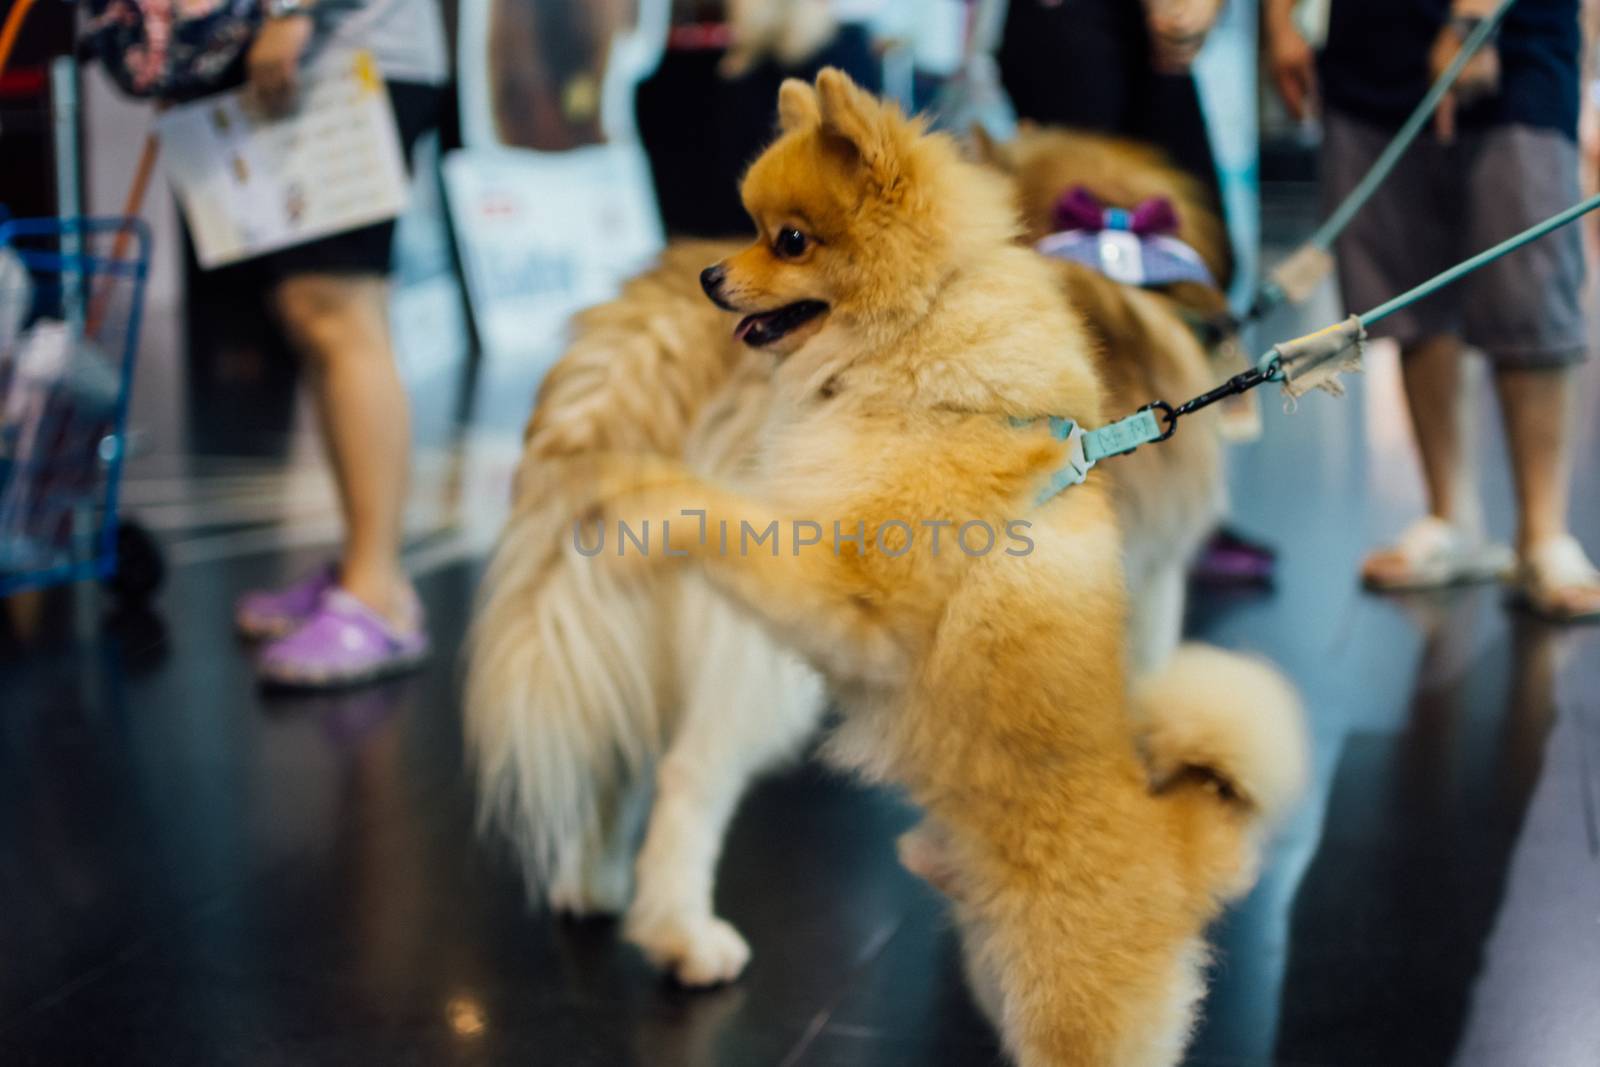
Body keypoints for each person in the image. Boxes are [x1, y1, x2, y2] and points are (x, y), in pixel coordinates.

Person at [1266, 0, 1600, 622]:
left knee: (1527, 283)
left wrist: (1470, 21)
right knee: (1405, 286)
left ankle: (1544, 534)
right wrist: (1280, 23)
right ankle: (1453, 519)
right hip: (1369, 54)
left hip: (1513, 43)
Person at [228, 0, 451, 683]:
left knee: (340, 311)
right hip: (331, 55)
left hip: (350, 54)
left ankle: (376, 597)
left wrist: (293, 8)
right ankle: (363, 565)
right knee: (311, 309)